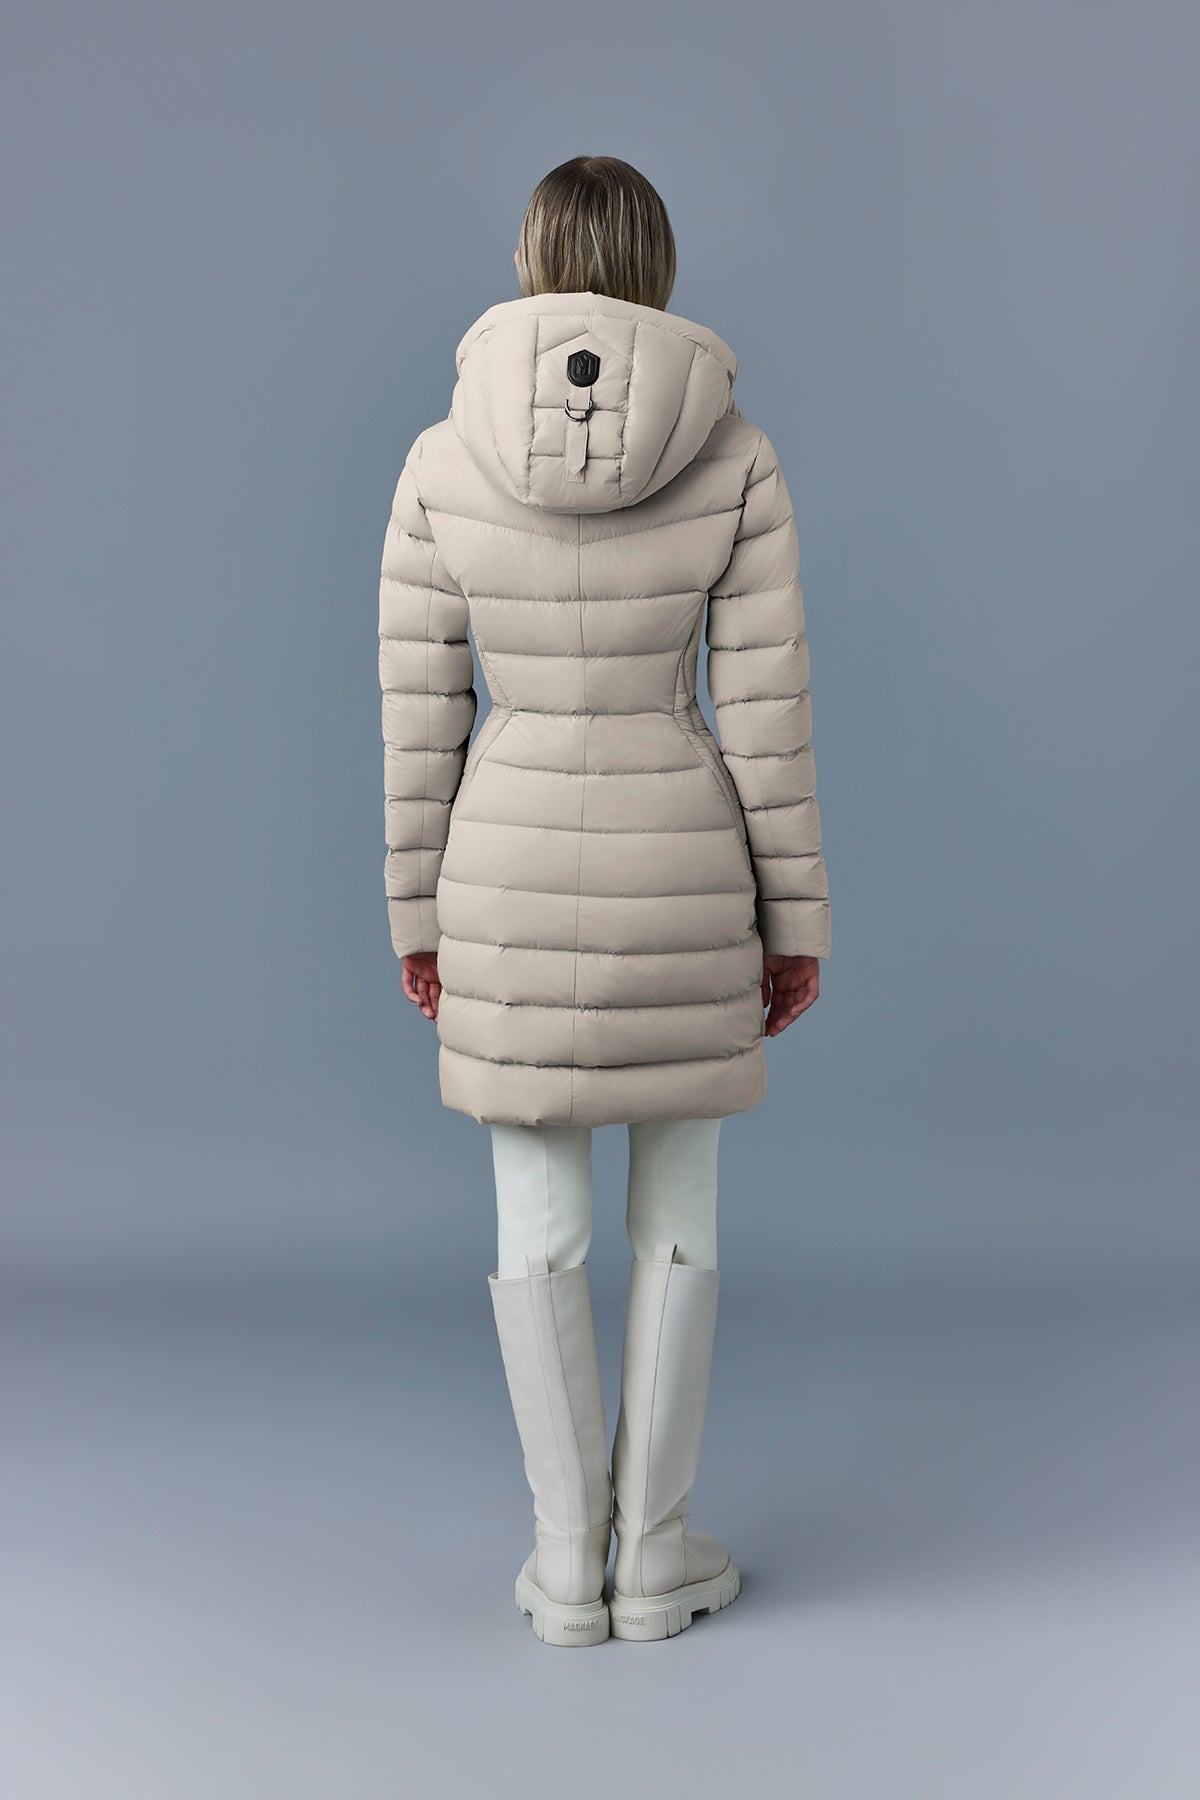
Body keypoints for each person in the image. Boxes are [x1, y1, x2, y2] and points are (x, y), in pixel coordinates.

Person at [377, 155, 831, 1646]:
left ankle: (565, 1560)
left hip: (502, 867)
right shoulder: (736, 452)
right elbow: (765, 718)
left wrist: (418, 918)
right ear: (658, 262)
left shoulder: (442, 456)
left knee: (538, 1221)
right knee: (679, 1218)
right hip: (683, 871)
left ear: (530, 257)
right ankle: (656, 1552)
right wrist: (793, 925)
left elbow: (418, 721)